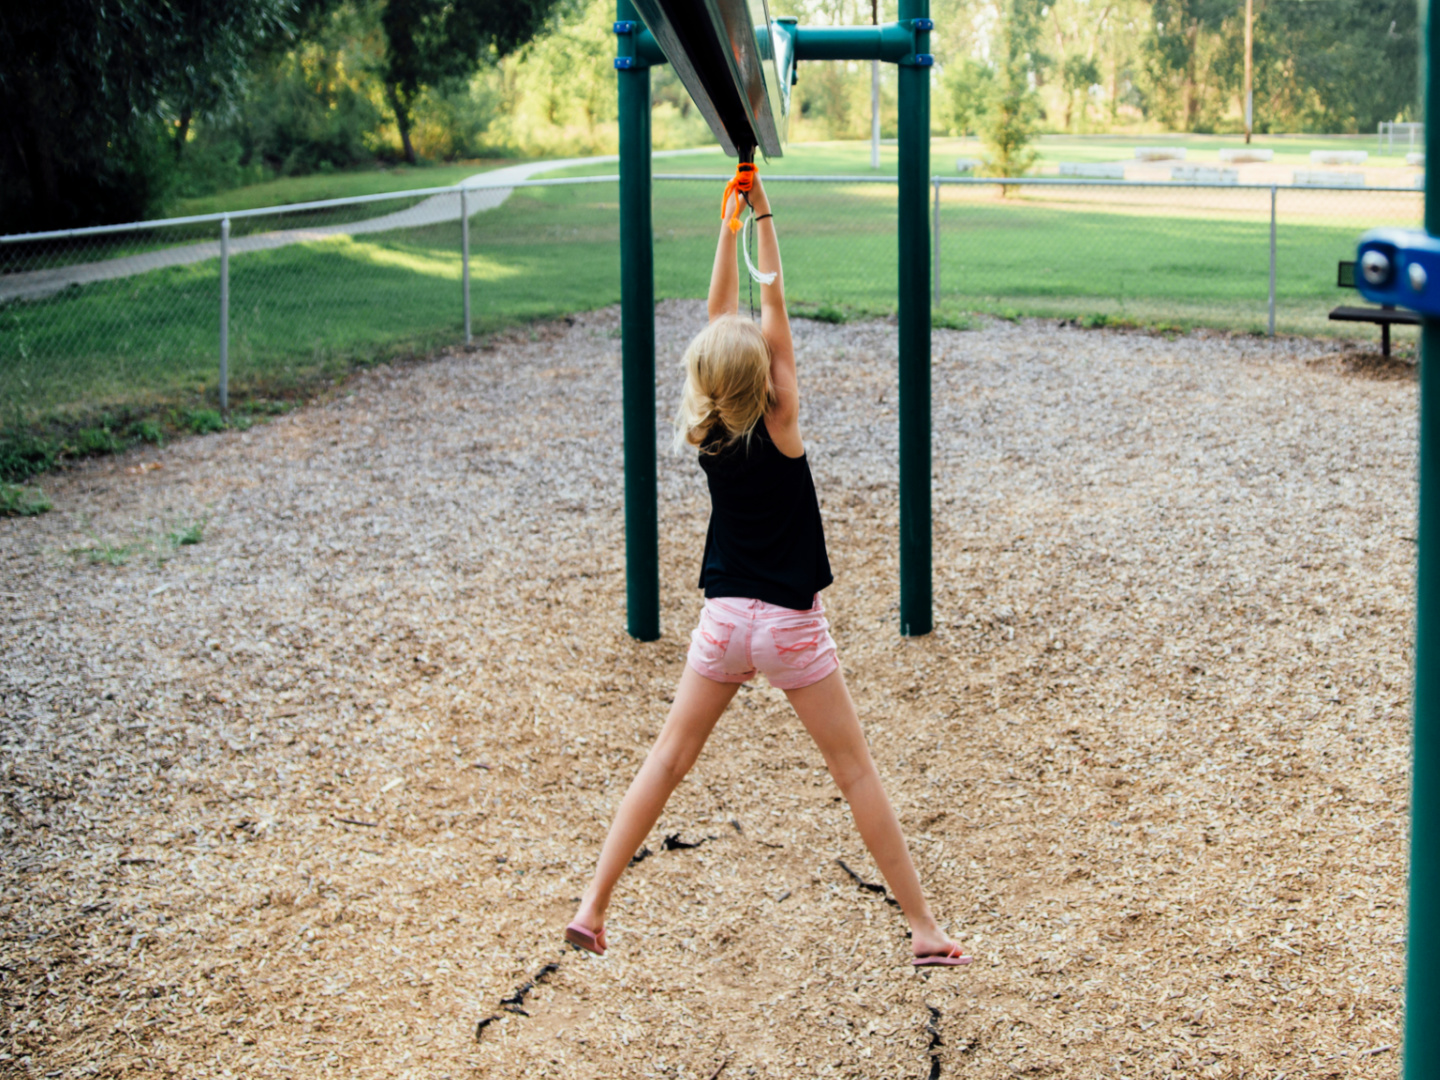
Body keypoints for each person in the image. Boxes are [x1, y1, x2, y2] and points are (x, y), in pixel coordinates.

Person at [565, 170, 969, 968]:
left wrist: (726, 227)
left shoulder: (708, 425)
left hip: (723, 625)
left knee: (668, 760)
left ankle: (593, 905)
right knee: (853, 772)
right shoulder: (779, 416)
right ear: (767, 379)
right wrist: (765, 218)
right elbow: (769, 316)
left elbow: (722, 326)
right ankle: (924, 929)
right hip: (788, 625)